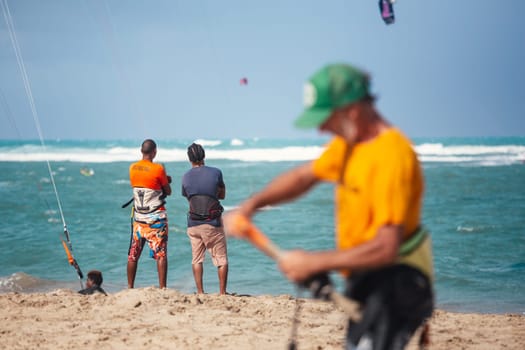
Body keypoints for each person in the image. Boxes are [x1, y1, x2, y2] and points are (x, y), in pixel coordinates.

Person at [225, 63, 434, 349]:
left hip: (397, 284)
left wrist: (312, 262)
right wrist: (252, 205)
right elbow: (303, 178)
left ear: (352, 110)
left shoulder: (392, 156)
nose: (321, 128)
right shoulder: (349, 146)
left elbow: (387, 248)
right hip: (365, 278)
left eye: (326, 118)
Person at [181, 143, 228, 295]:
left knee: (197, 259)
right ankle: (222, 292)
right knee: (221, 259)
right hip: (212, 223)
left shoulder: (186, 176)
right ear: (204, 156)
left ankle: (200, 292)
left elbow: (189, 199)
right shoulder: (216, 172)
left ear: (189, 159)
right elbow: (222, 195)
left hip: (193, 224)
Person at [128, 139, 172, 289]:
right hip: (156, 219)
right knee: (161, 254)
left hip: (139, 219)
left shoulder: (132, 168)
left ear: (141, 151)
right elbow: (168, 192)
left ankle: (130, 287)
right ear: (154, 152)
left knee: (133, 254)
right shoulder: (158, 169)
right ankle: (162, 288)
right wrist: (166, 181)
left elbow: (143, 184)